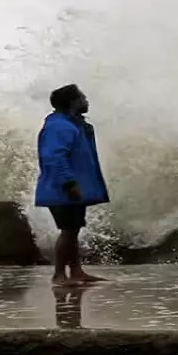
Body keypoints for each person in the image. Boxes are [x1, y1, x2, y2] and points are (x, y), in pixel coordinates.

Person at [35, 84, 110, 286]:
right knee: (68, 231)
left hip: (70, 188)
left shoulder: (72, 124)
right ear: (73, 102)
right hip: (62, 189)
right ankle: (59, 275)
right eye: (82, 97)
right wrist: (69, 183)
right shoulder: (60, 126)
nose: (86, 101)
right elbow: (54, 157)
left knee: (73, 229)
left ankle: (76, 271)